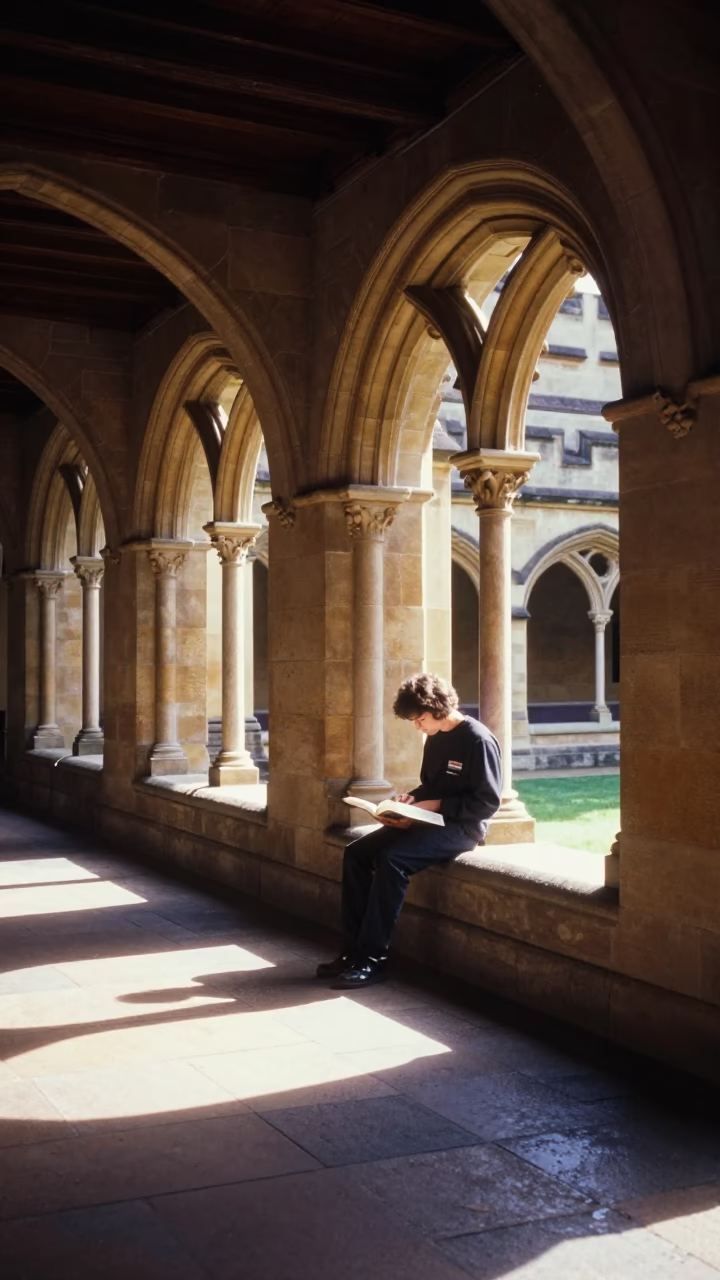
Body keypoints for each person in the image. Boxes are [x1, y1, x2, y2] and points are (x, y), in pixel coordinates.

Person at [316, 672, 502, 989]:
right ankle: (352, 952)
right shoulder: (436, 737)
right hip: (430, 819)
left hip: (463, 828)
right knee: (356, 853)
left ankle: (373, 959)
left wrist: (435, 805)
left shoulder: (478, 740)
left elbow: (486, 802)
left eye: (420, 719)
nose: (417, 727)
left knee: (393, 859)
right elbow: (430, 786)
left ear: (438, 707)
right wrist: (409, 802)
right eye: (414, 721)